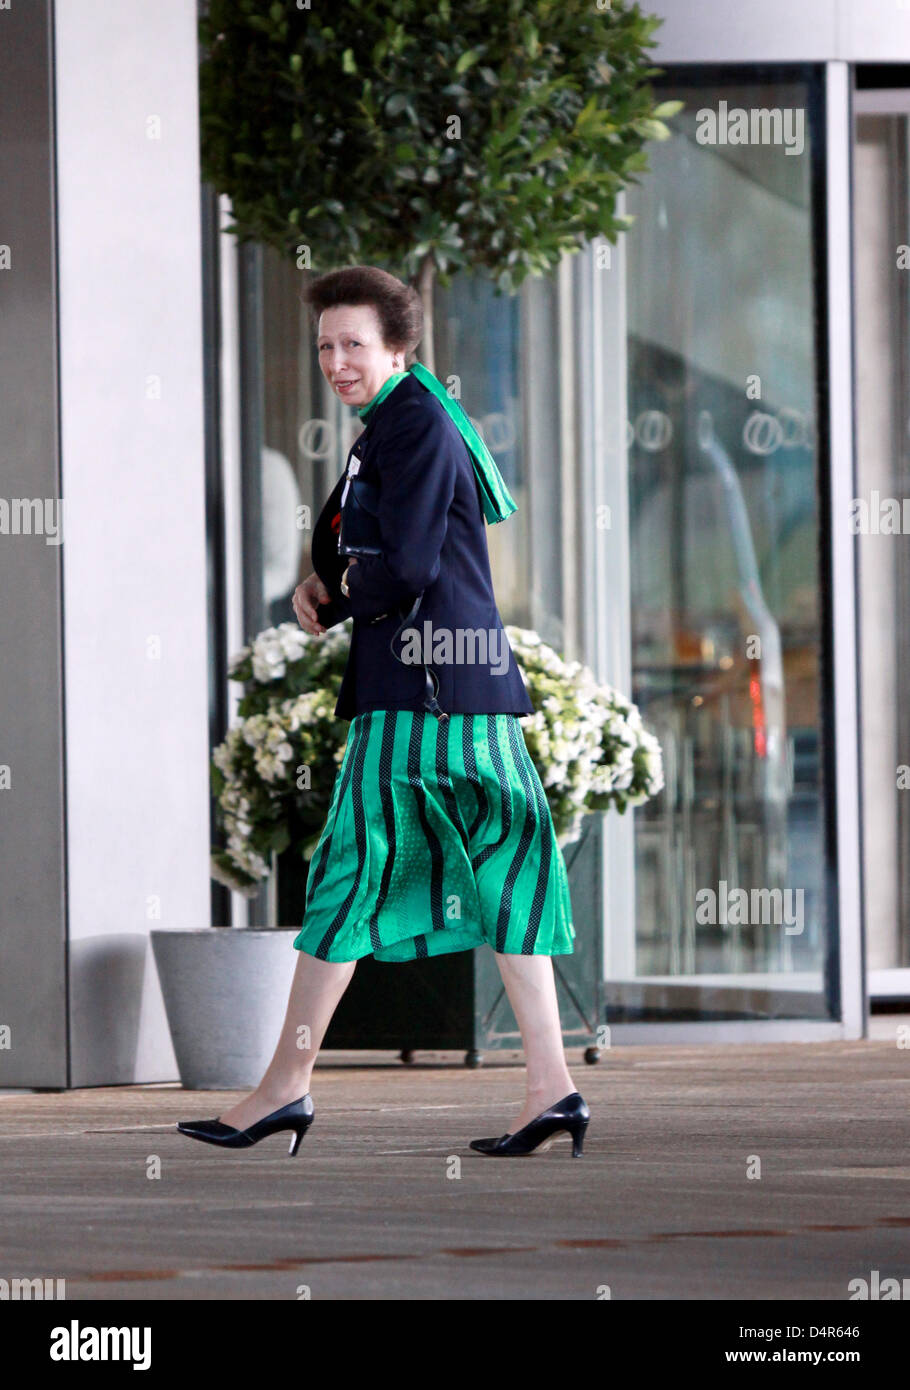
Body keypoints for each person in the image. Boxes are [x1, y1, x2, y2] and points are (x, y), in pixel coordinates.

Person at [177, 265, 589, 1159]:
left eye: (352, 344)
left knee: (350, 878)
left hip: (422, 698)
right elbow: (359, 538)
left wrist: (340, 587)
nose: (334, 360)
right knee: (506, 871)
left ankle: (285, 1088)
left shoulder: (417, 426)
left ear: (397, 345)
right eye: (325, 345)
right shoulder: (402, 423)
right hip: (461, 691)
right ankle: (552, 1089)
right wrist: (329, 580)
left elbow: (399, 566)